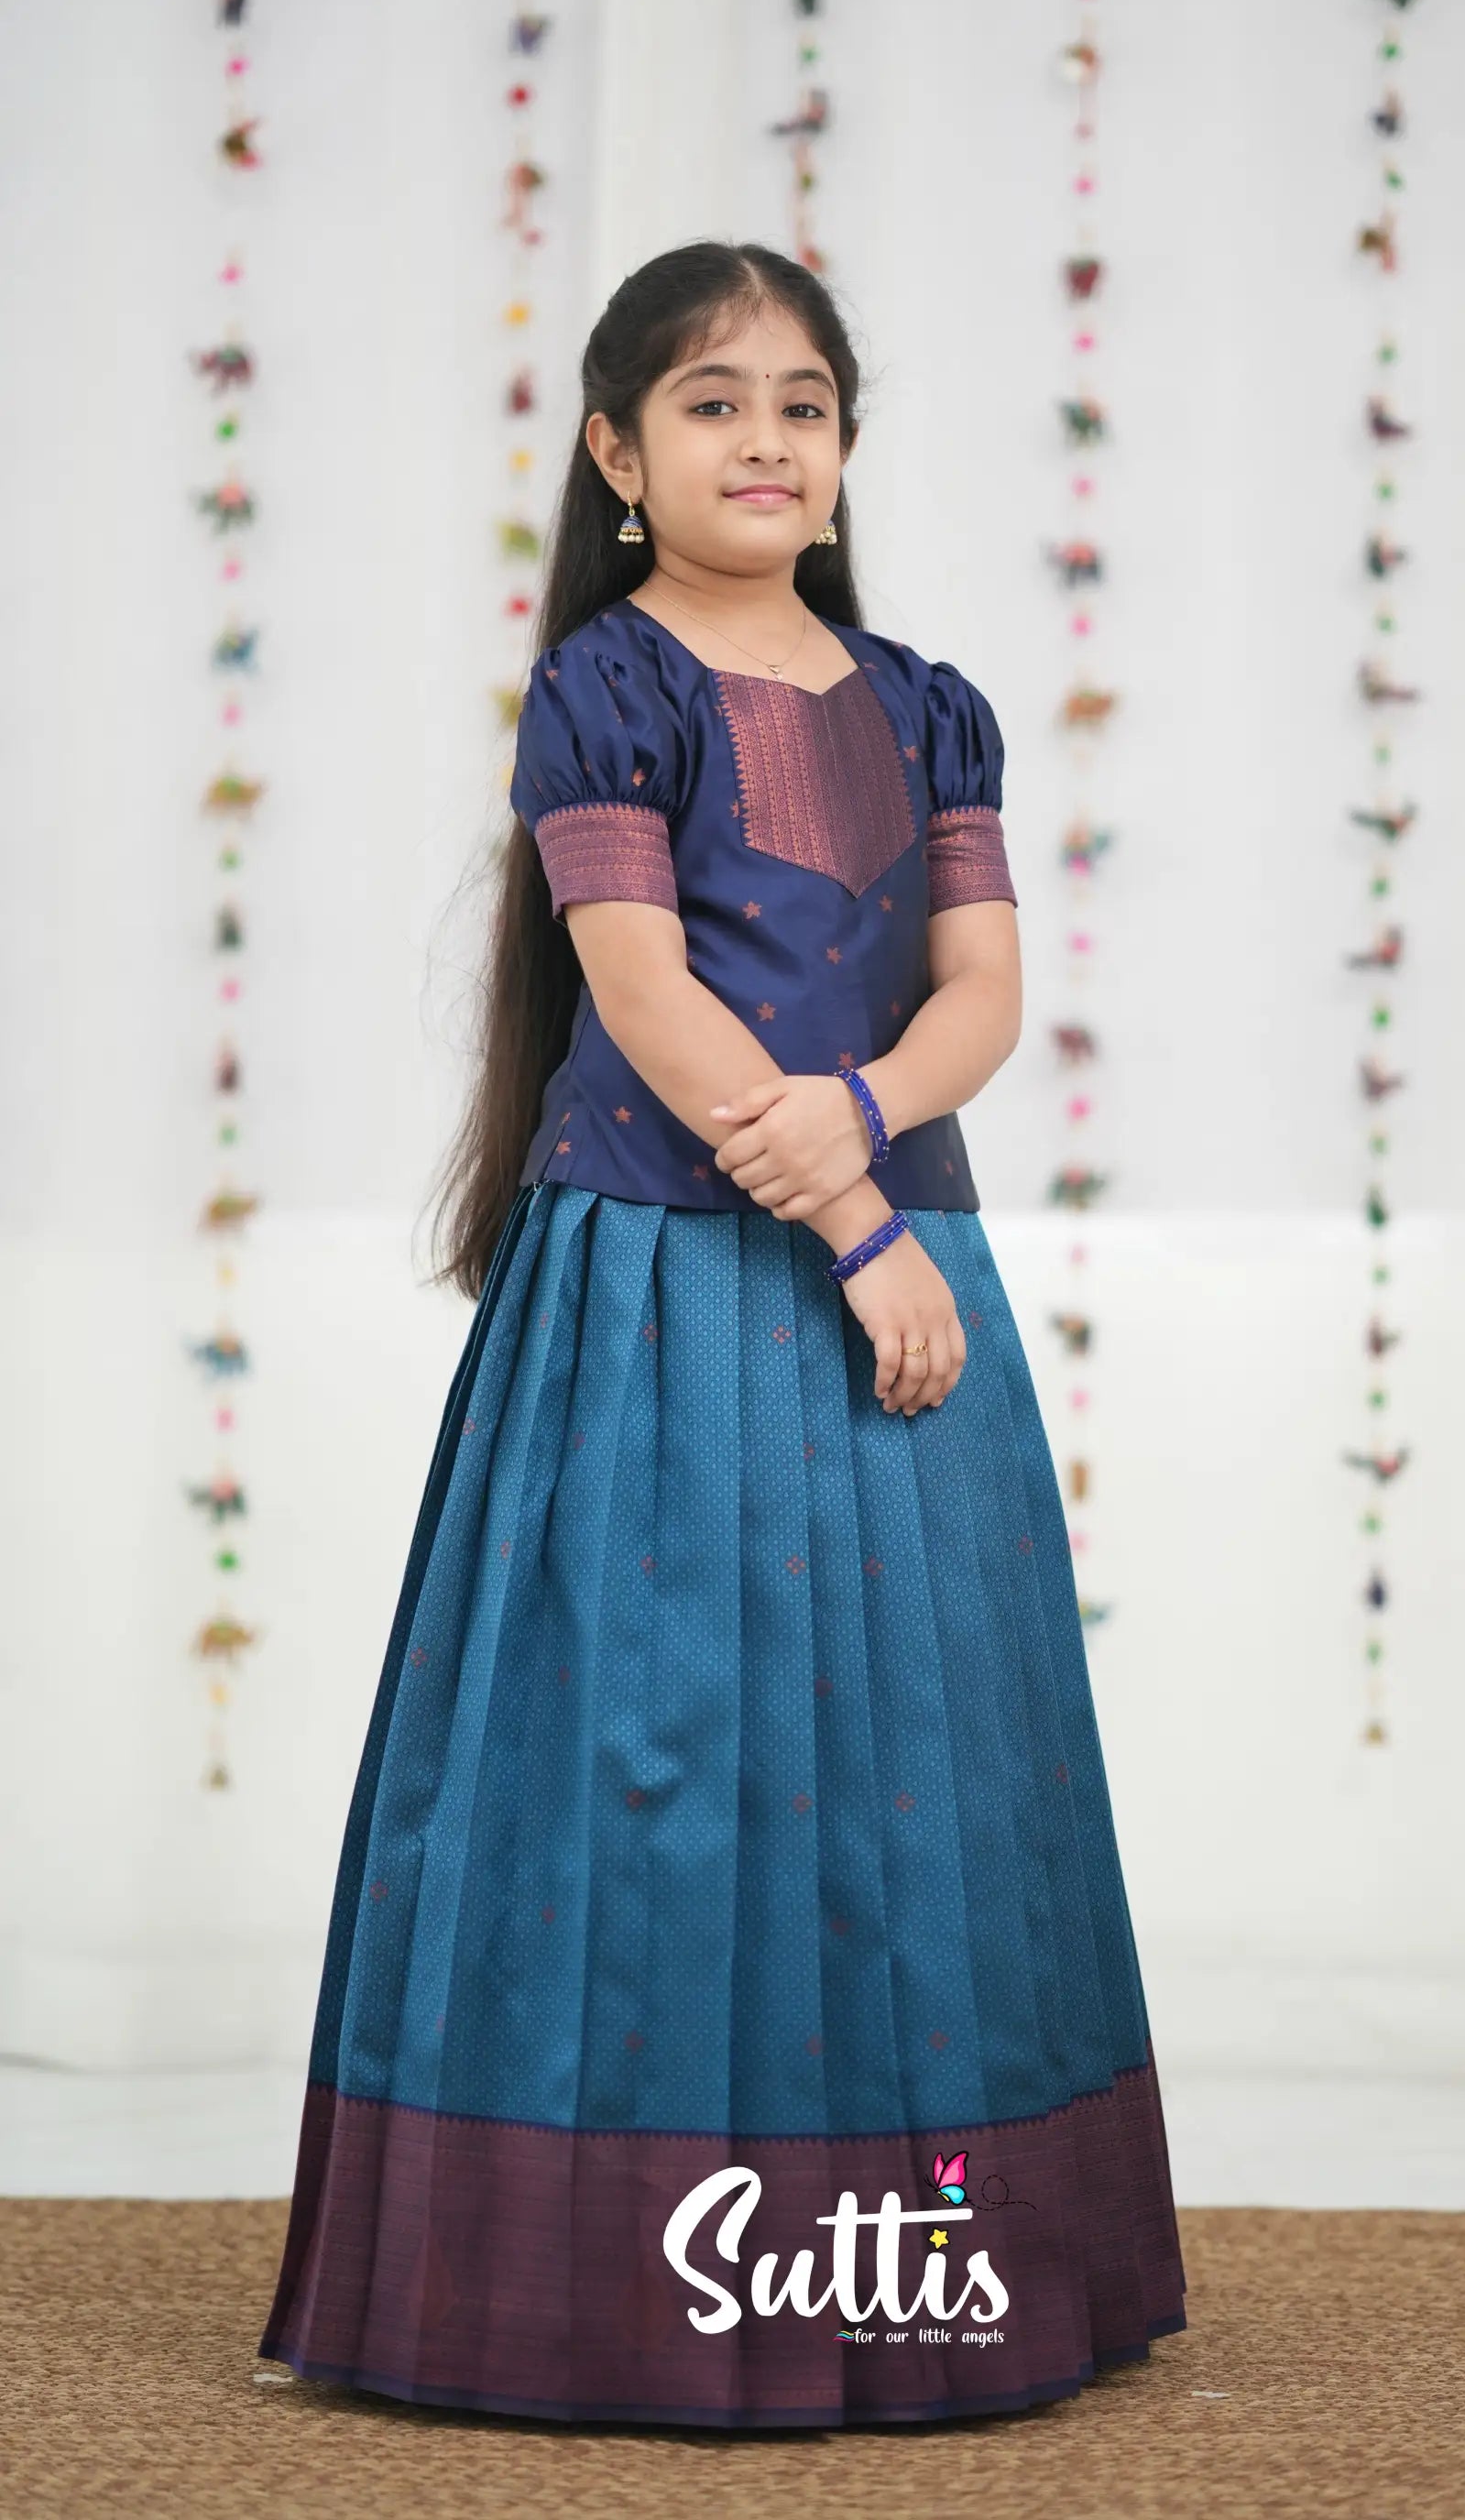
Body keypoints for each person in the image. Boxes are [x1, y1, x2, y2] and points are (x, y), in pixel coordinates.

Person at [257, 239, 1186, 2429]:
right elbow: (648, 997)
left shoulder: (933, 706)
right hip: (668, 1286)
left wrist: (867, 1125)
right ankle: (608, 2297)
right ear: (615, 452)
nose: (765, 439)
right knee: (648, 1758)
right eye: (710, 401)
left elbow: (982, 993)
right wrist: (857, 1220)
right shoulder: (606, 690)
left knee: (923, 1758)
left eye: (804, 403)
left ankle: (922, 2273)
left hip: (898, 1268)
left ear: (847, 450)